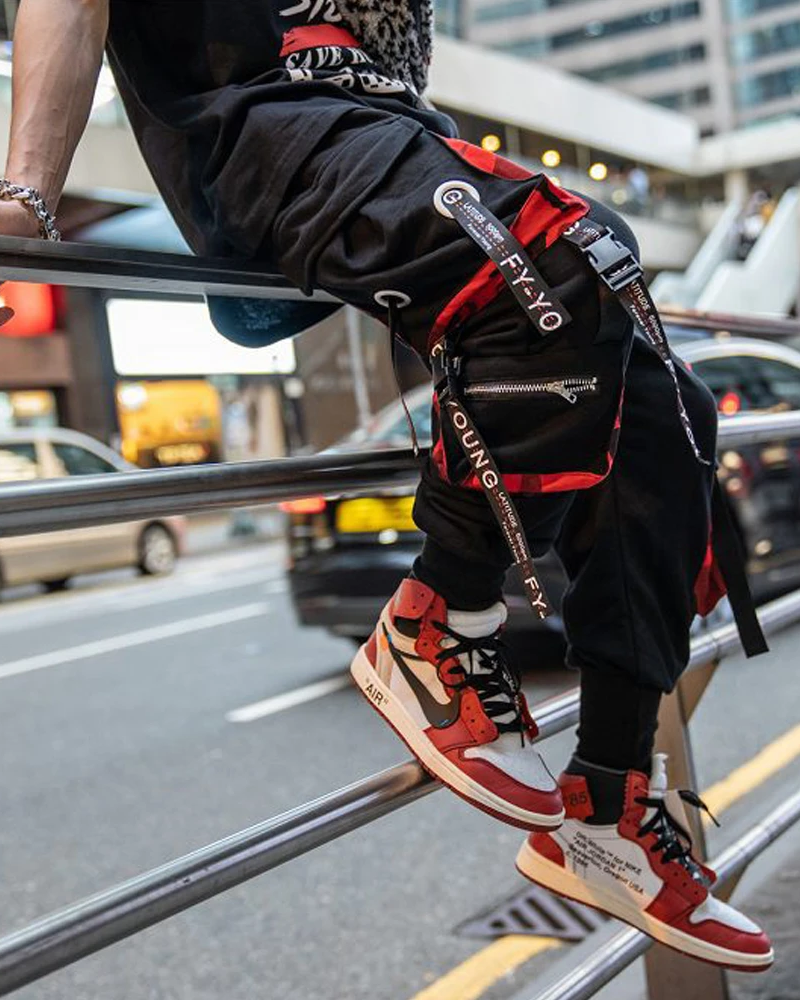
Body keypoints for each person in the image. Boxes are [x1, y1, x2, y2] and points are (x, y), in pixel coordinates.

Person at [1, 0, 773, 971]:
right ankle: (433, 625)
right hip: (264, 120)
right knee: (561, 255)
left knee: (663, 409)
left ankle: (608, 803)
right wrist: (28, 194)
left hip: (384, 126)